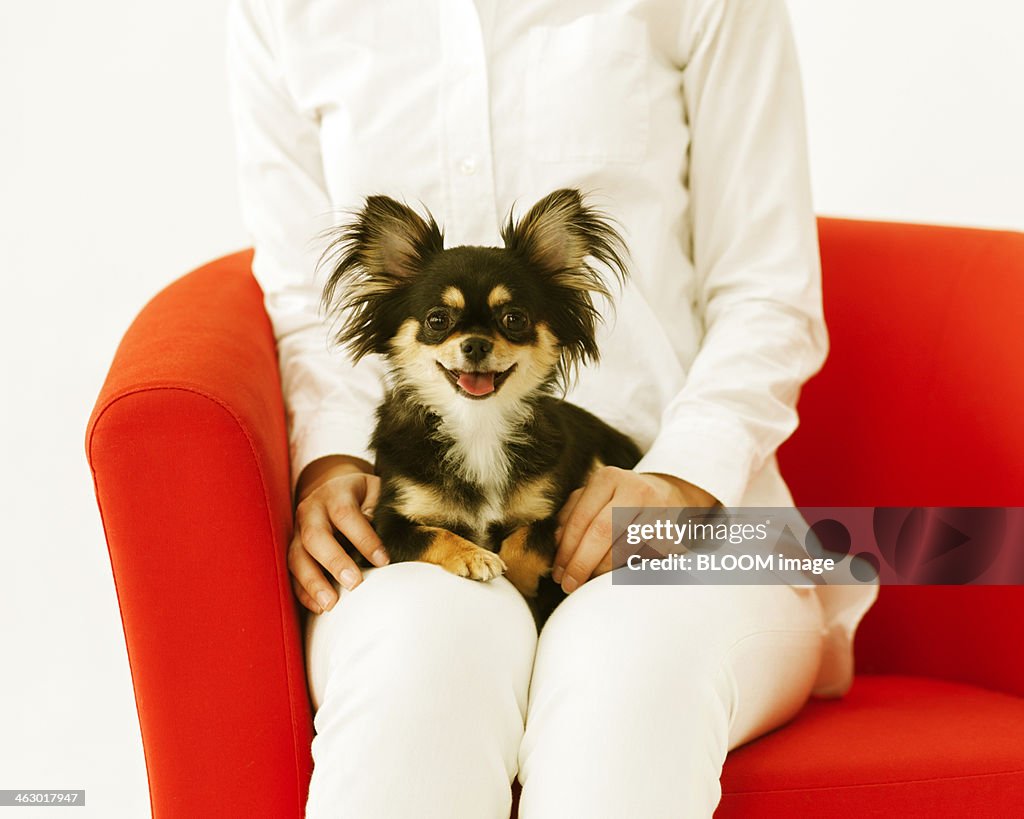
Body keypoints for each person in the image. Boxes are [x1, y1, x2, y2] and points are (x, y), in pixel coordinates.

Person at [226, 1, 877, 815]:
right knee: (418, 657)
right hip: (421, 508)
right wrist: (331, 461)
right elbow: (302, 305)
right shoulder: (281, 14)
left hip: (708, 521)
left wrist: (680, 482)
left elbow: (769, 295)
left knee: (626, 666)